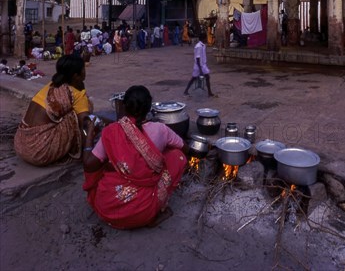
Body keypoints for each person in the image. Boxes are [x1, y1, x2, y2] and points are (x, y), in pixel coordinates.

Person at [82, 85, 187, 229]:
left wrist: (89, 135)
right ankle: (156, 209)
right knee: (177, 156)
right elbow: (184, 148)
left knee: (106, 165)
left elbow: (89, 165)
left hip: (108, 207)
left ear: (124, 107)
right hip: (143, 211)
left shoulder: (111, 131)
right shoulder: (161, 130)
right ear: (149, 108)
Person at [14, 55, 92, 166]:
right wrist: (89, 149)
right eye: (83, 69)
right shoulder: (76, 93)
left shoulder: (50, 86)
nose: (85, 72)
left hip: (20, 145)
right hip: (39, 153)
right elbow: (85, 124)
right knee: (75, 115)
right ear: (76, 76)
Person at [184, 32, 216, 97]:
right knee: (194, 78)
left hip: (202, 65)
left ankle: (209, 92)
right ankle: (186, 91)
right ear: (203, 38)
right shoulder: (199, 46)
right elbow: (197, 58)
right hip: (199, 65)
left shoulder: (202, 45)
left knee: (207, 77)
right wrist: (200, 70)